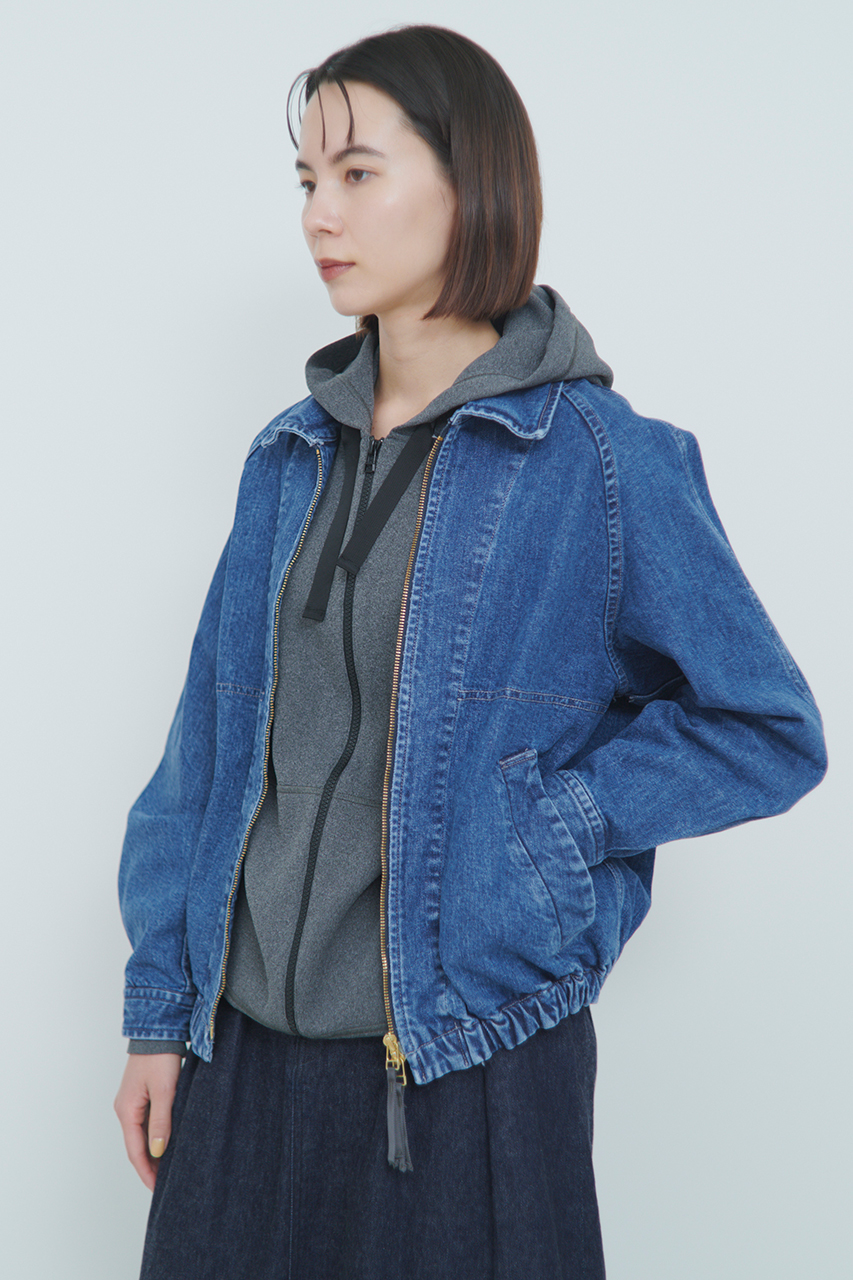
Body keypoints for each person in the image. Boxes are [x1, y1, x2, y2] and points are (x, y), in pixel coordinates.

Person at [114, 24, 826, 1279]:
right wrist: (159, 1015)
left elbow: (764, 724)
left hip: (465, 1069)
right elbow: (206, 749)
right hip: (240, 1064)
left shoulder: (597, 459)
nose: (319, 213)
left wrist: (552, 822)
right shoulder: (287, 457)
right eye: (307, 179)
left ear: (470, 185)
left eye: (357, 173)